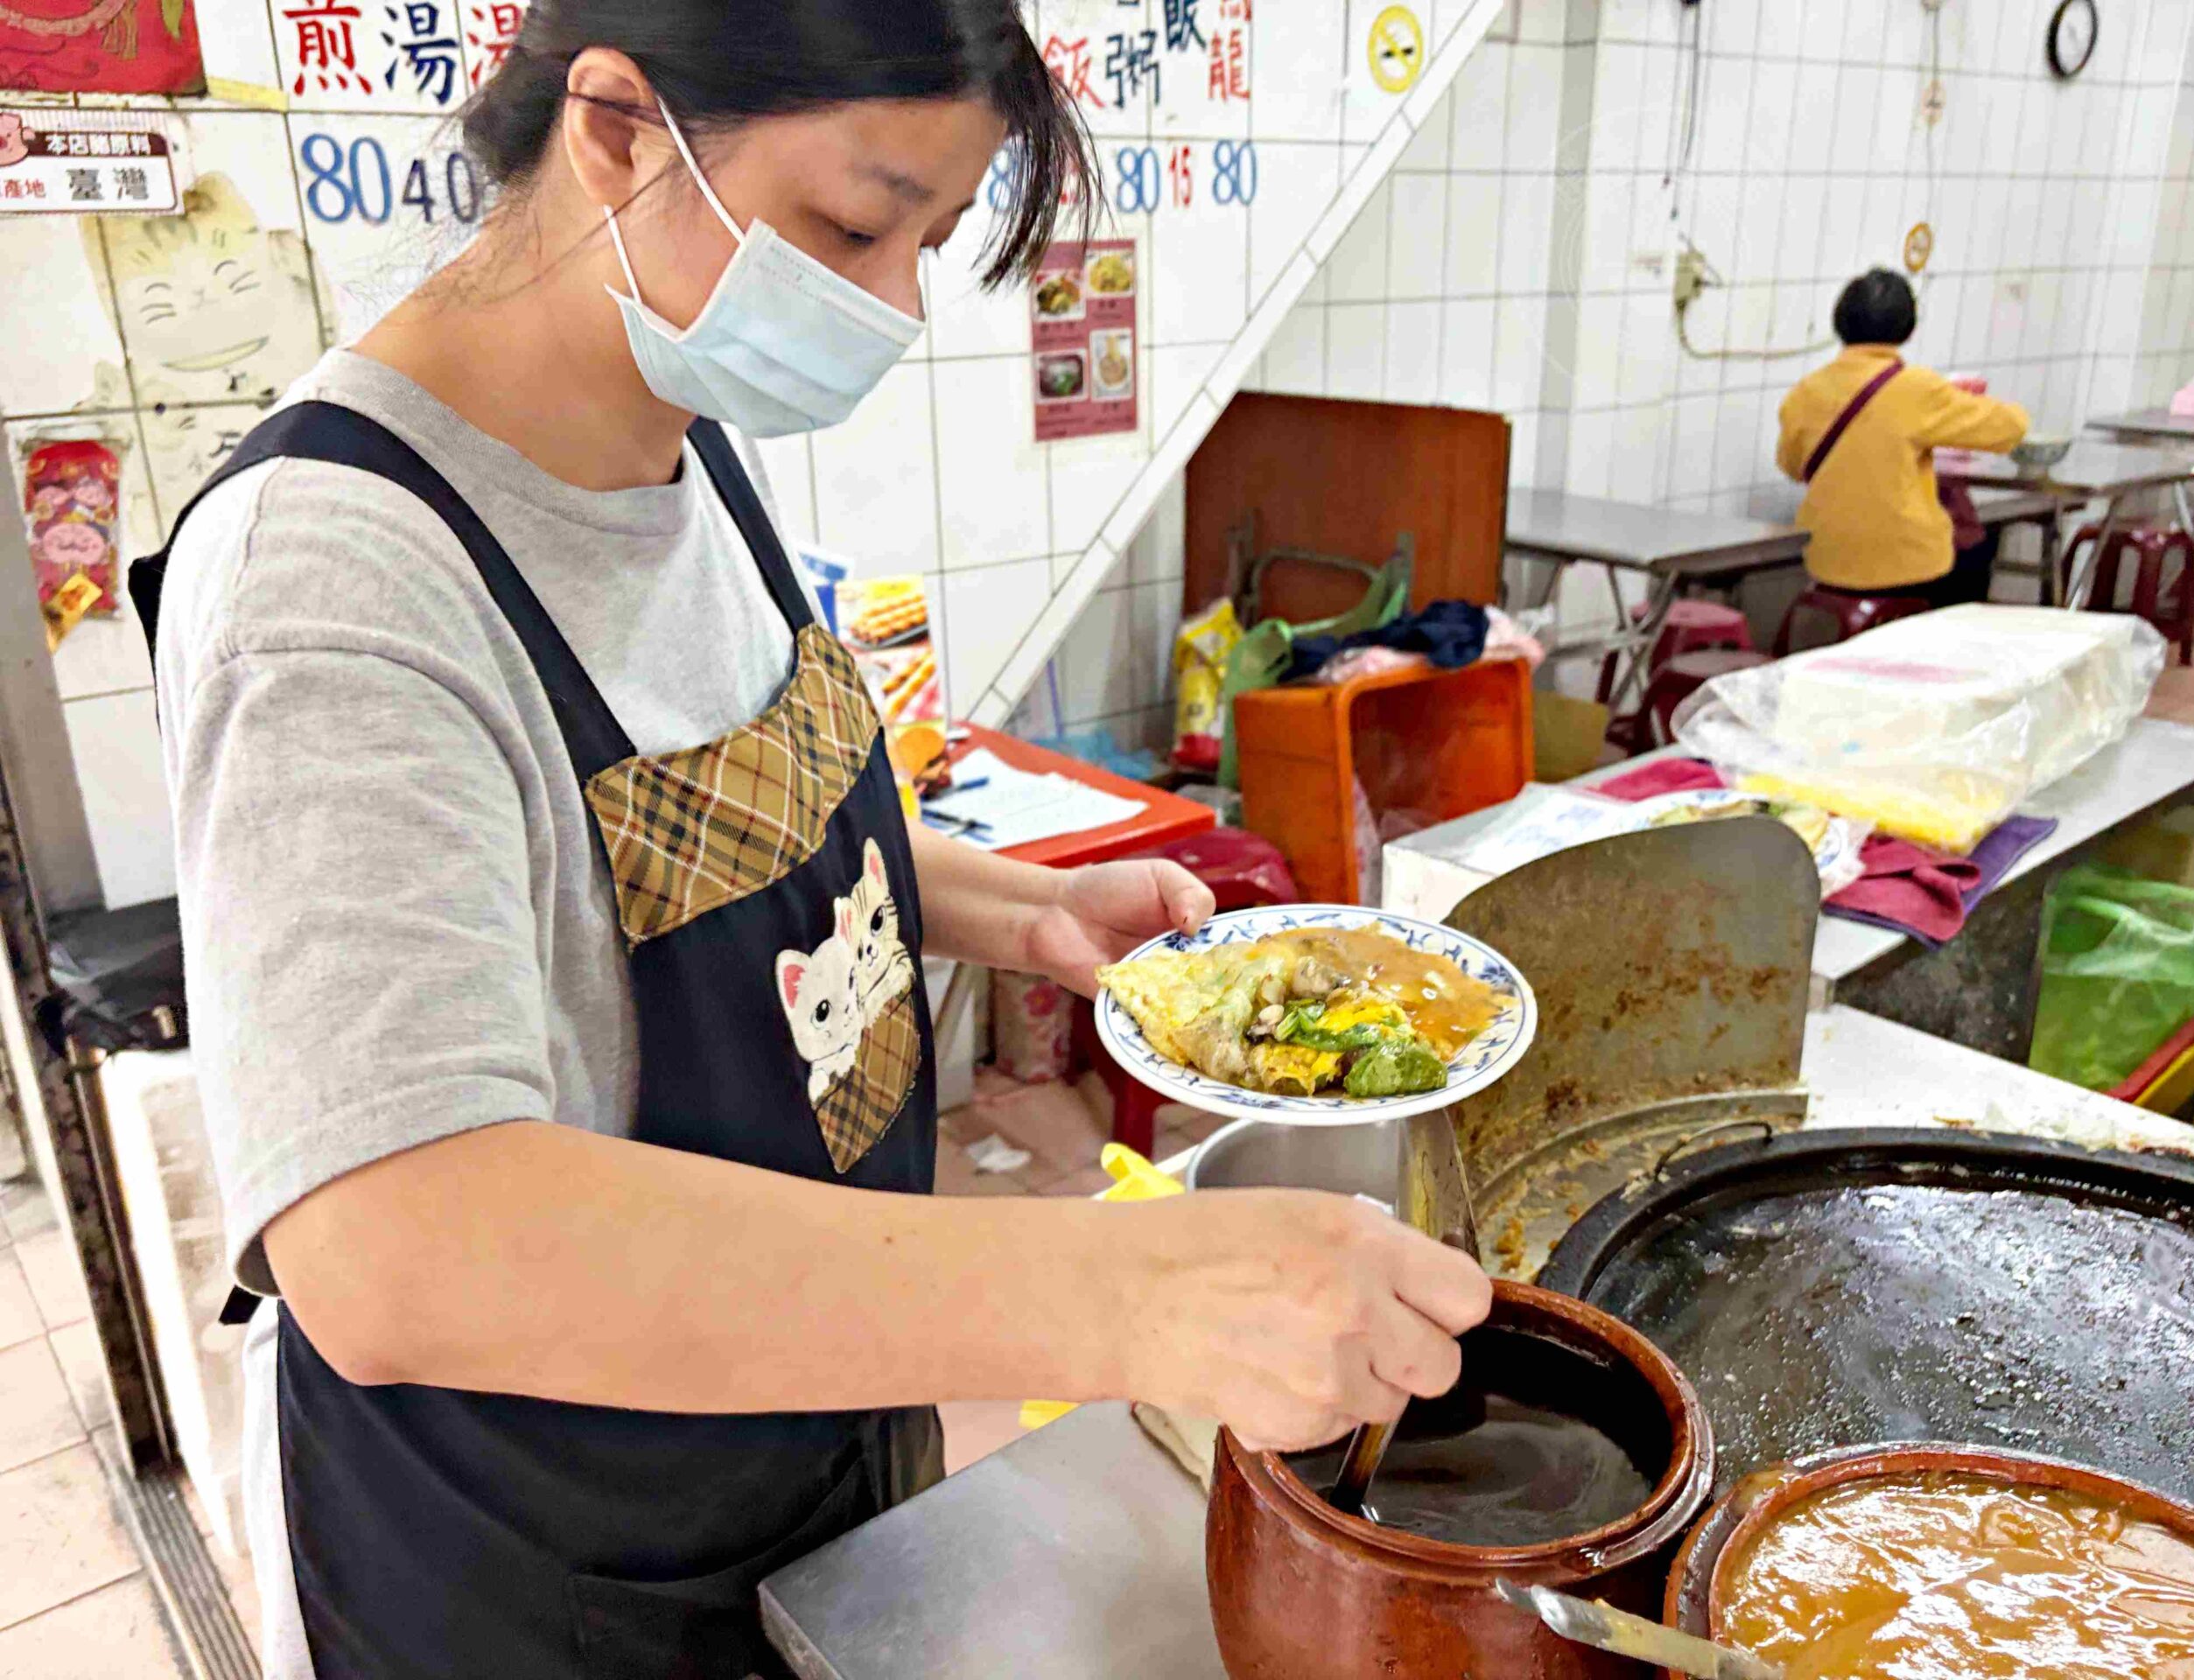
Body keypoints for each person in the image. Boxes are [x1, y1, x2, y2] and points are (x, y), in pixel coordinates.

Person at [141, 4, 1492, 1676]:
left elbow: (667, 841)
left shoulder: (671, 442)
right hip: (556, 1571)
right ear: (621, 132)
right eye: (858, 224)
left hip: (805, 1442)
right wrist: (1125, 1292)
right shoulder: (336, 579)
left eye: (927, 237)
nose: (896, 302)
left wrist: (1017, 909)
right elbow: (395, 1240)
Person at [1777, 268, 2030, 607]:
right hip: (1908, 567)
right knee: (1978, 544)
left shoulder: (1806, 391)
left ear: (1841, 322)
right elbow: (2010, 428)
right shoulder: (1917, 389)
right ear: (1907, 327)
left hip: (1827, 559)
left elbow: (1792, 466)